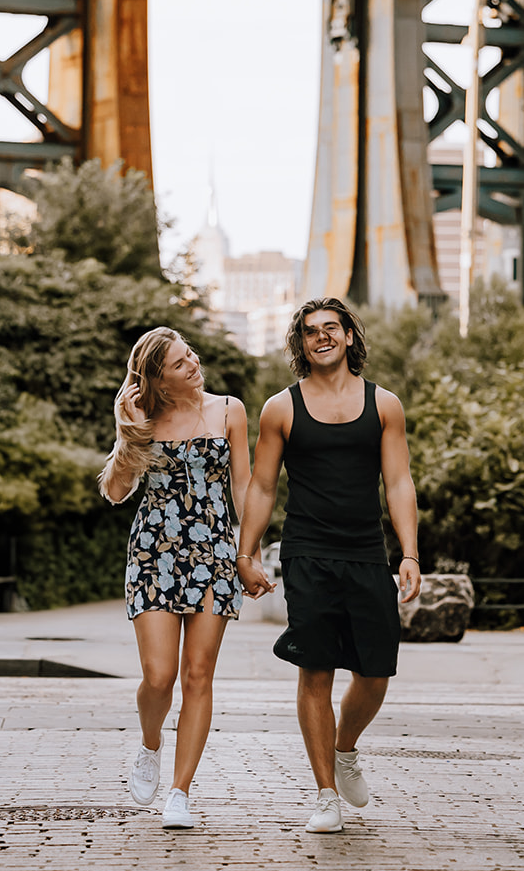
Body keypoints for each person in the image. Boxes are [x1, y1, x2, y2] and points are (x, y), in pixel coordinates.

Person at [236, 297, 420, 834]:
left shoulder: (384, 405)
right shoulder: (280, 409)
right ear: (301, 343)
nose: (322, 337)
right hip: (307, 553)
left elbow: (399, 482)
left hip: (366, 552)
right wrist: (246, 554)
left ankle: (345, 750)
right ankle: (323, 795)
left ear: (348, 336)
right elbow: (264, 487)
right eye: (311, 331)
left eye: (331, 329)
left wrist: (408, 552)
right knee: (314, 670)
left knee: (376, 670)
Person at [98, 326, 252, 829]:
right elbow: (116, 491)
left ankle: (180, 794)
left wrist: (247, 553)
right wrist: (130, 433)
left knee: (198, 675)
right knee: (159, 677)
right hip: (153, 552)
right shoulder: (144, 418)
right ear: (159, 381)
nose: (194, 365)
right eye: (181, 364)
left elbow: (245, 486)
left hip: (212, 551)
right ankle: (150, 743)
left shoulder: (229, 410)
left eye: (192, 356)